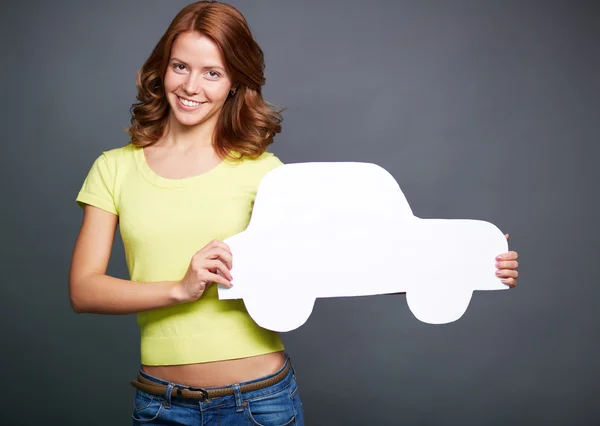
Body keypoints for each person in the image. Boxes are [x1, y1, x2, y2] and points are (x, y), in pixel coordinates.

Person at [68, 1, 519, 425]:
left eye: (212, 73)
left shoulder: (268, 175)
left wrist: (469, 267)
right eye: (180, 66)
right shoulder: (114, 168)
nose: (190, 86)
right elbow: (84, 291)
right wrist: (179, 289)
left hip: (259, 403)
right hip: (160, 405)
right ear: (161, 68)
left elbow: (343, 265)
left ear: (234, 84)